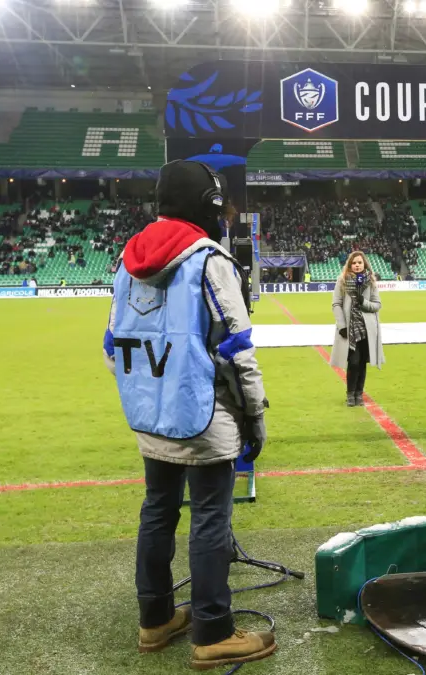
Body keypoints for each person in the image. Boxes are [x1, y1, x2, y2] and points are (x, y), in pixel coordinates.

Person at [102, 160, 275, 669]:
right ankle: (213, 631)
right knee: (209, 520)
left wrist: (149, 394)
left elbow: (112, 346)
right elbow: (239, 351)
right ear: (208, 206)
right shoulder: (209, 260)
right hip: (204, 417)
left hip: (148, 417)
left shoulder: (125, 260)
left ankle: (154, 620)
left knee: (157, 511)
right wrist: (255, 418)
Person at [330, 251, 385, 407]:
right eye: (354, 263)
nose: (357, 265)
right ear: (350, 265)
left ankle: (359, 394)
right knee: (353, 362)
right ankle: (350, 395)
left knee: (362, 363)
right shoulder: (341, 282)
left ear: (364, 264)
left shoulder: (371, 282)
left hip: (368, 330)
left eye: (360, 262)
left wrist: (363, 302)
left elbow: (377, 305)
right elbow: (336, 304)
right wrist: (342, 325)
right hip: (349, 329)